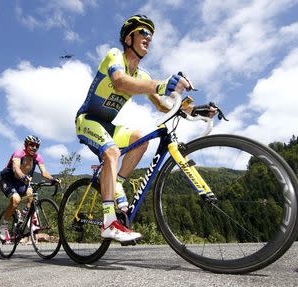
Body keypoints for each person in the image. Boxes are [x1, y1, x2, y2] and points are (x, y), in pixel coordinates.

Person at [75, 14, 210, 243]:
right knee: (111, 152)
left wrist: (196, 110)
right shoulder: (114, 56)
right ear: (129, 38)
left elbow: (162, 104)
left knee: (141, 139)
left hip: (107, 126)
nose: (149, 37)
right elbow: (119, 82)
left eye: (151, 34)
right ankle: (108, 223)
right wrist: (161, 84)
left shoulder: (142, 75)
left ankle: (116, 183)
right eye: (144, 32)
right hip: (88, 119)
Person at [0, 135, 60, 222]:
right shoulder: (19, 153)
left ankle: (23, 217)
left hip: (22, 182)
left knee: (31, 197)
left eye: (37, 146)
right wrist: (23, 176)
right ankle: (3, 227)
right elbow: (15, 168)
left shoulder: (37, 157)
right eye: (32, 144)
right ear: (26, 145)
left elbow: (44, 172)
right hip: (8, 180)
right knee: (16, 200)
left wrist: (53, 179)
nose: (34, 147)